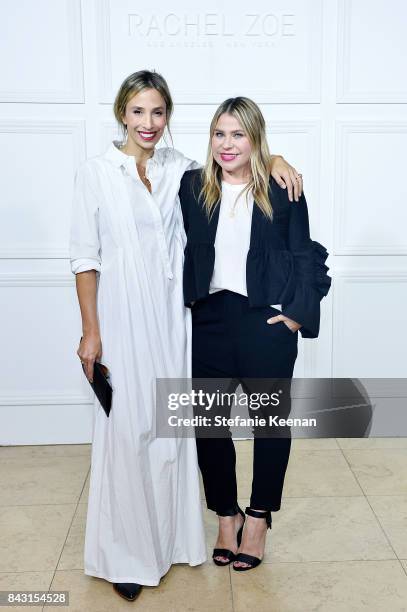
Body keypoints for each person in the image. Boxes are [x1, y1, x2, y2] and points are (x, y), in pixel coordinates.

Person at [69, 70, 304, 601]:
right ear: (121, 114)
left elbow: (241, 158)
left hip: (178, 318)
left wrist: (278, 159)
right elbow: (85, 257)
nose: (148, 123)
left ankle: (175, 541)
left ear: (168, 117)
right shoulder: (96, 173)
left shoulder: (183, 171)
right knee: (128, 430)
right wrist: (90, 332)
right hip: (124, 315)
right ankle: (124, 553)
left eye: (158, 113)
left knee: (175, 434)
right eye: (137, 112)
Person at [179, 97, 331, 571]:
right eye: (219, 134)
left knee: (269, 424)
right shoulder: (192, 185)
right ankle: (227, 516)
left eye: (238, 134)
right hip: (209, 318)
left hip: (264, 321)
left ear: (256, 138)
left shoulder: (281, 189)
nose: (227, 144)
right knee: (209, 424)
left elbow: (306, 254)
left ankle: (259, 517)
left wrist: (296, 314)